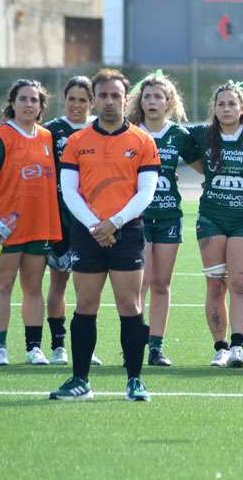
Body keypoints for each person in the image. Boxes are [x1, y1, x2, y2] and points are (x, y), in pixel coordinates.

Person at [50, 68, 160, 401]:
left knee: (130, 305)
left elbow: (147, 192)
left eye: (116, 95)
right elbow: (69, 190)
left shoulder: (142, 141)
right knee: (85, 304)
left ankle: (134, 380)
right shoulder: (77, 142)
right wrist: (96, 226)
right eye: (104, 95)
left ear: (126, 99)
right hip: (88, 232)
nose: (110, 101)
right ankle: (80, 380)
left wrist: (114, 223)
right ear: (94, 99)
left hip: (126, 231)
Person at [186, 81, 243, 368]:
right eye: (220, 104)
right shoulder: (202, 134)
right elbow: (169, 140)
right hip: (211, 218)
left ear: (242, 107)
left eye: (231, 103)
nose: (226, 108)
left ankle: (238, 346)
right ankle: (220, 347)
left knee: (239, 284)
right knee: (215, 285)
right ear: (214, 109)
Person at [126, 70, 195, 367]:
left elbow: (207, 165)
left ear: (169, 102)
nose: (152, 101)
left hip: (168, 216)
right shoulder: (128, 130)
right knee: (138, 284)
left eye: (158, 96)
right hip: (136, 218)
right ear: (140, 101)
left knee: (162, 284)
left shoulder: (179, 134)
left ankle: (156, 346)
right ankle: (134, 342)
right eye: (148, 96)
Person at [0, 79, 62, 366]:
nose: (29, 104)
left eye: (34, 100)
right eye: (23, 99)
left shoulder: (46, 137)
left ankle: (34, 348)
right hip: (5, 227)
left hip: (40, 225)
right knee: (2, 286)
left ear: (41, 106)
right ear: (13, 103)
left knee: (33, 287)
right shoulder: (0, 135)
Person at [43, 76, 103, 366]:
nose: (76, 105)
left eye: (82, 100)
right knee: (59, 282)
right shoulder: (50, 131)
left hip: (92, 217)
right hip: (58, 217)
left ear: (91, 103)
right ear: (63, 99)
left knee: (87, 286)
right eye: (71, 99)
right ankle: (57, 346)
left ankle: (85, 346)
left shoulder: (100, 129)